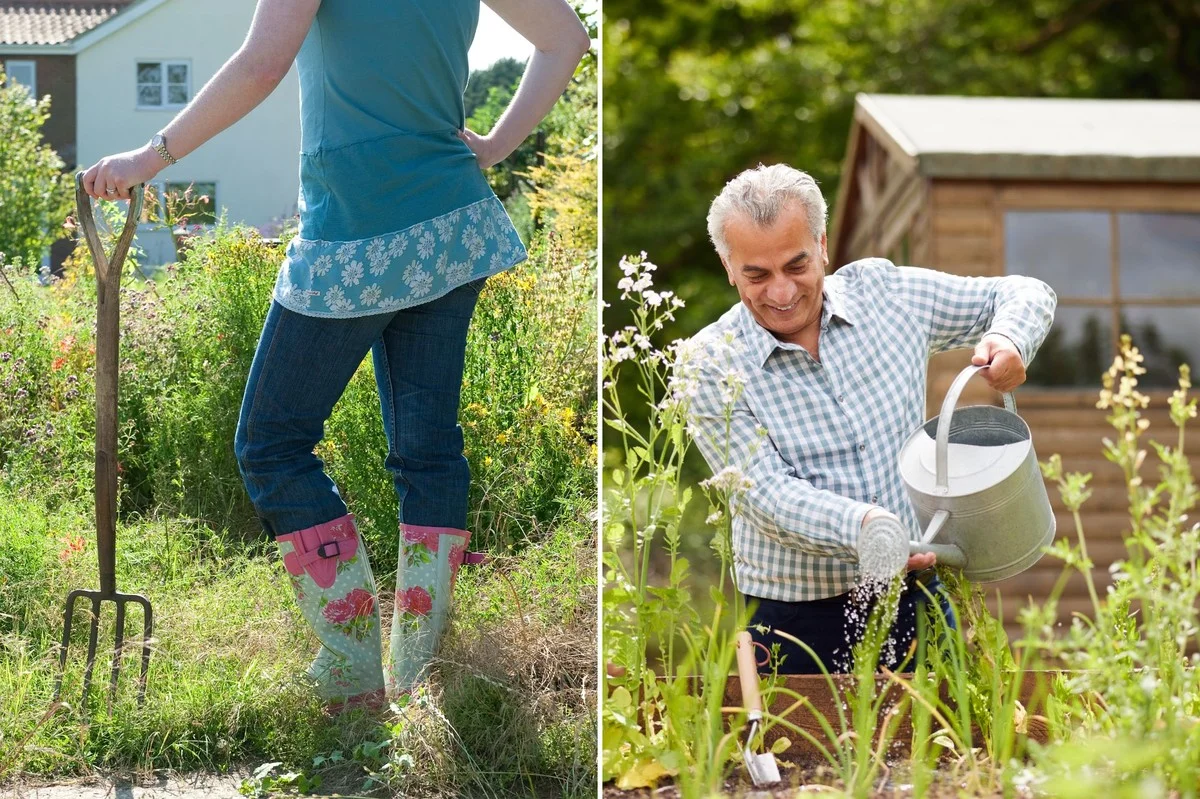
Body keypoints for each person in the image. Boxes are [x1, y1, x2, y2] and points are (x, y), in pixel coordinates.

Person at [81, 0, 590, 710]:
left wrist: (149, 157)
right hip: (450, 219)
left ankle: (353, 674)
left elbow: (262, 63)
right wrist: (497, 146)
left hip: (356, 225)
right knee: (428, 452)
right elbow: (566, 38)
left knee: (271, 441)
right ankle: (417, 675)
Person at [687, 163, 1056, 674]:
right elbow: (762, 495)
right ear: (729, 267)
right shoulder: (708, 363)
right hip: (794, 621)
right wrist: (867, 527)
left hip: (914, 597)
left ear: (821, 245)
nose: (781, 292)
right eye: (756, 275)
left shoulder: (888, 297)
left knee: (951, 750)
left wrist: (1011, 339)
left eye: (796, 266)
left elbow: (1022, 292)